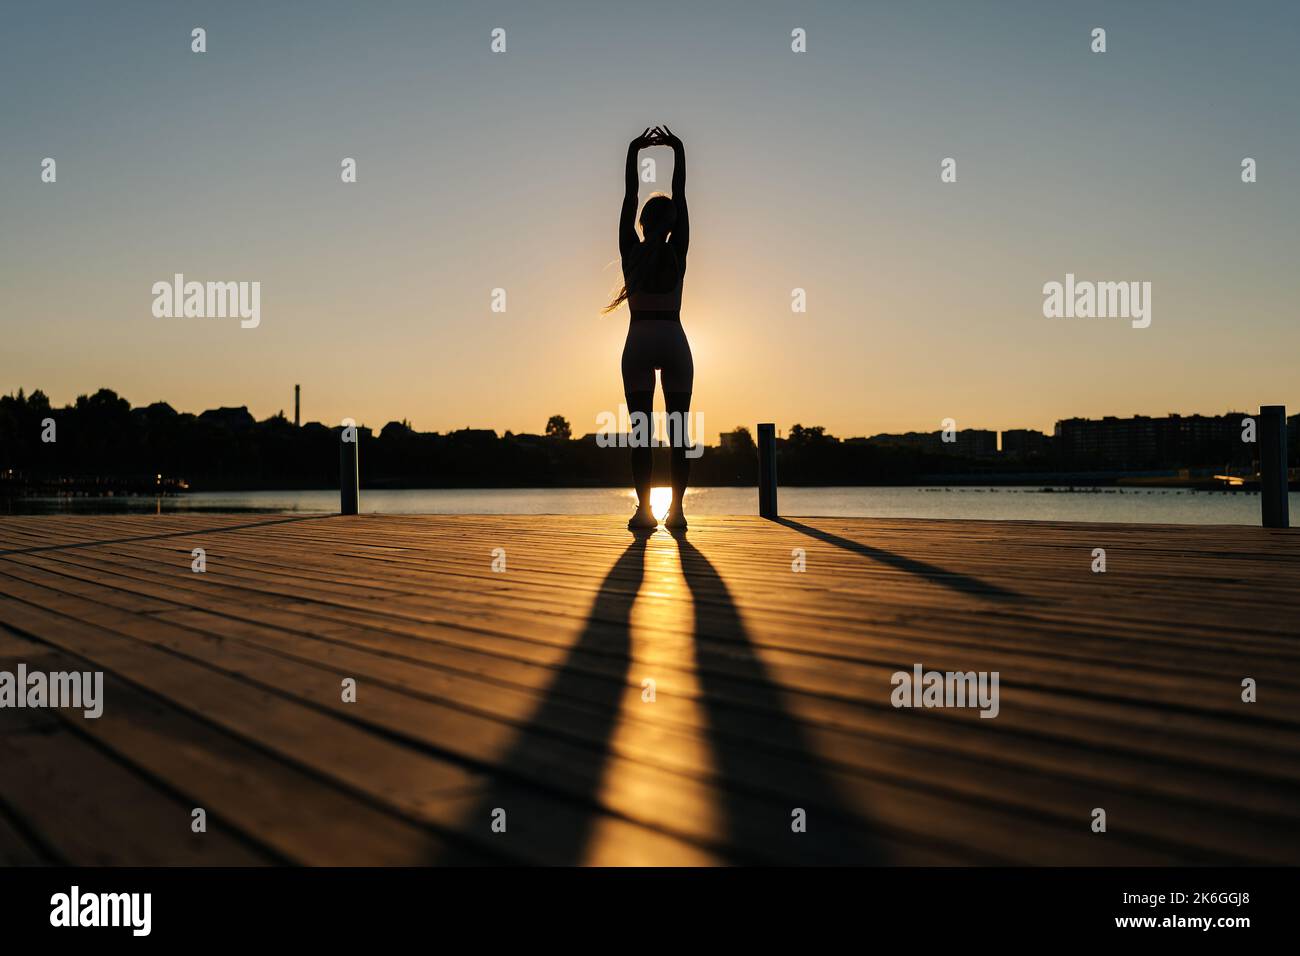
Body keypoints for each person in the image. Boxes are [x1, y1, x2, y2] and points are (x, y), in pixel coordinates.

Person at [606, 126, 693, 530]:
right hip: (673, 338)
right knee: (679, 431)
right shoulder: (677, 250)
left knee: (640, 432)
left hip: (639, 338)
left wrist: (633, 151)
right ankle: (677, 513)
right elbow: (681, 194)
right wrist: (676, 149)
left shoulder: (631, 251)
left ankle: (644, 512)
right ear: (673, 223)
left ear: (641, 223)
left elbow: (629, 197)